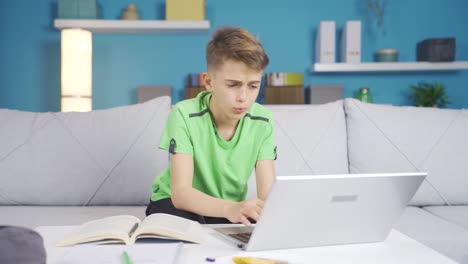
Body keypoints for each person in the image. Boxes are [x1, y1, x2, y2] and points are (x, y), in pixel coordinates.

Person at [145, 26, 276, 226]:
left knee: (251, 224)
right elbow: (180, 194)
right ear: (208, 81)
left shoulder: (263, 121)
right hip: (174, 203)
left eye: (253, 86)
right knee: (187, 224)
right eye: (232, 85)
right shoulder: (183, 114)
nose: (243, 98)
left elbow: (268, 194)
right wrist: (231, 209)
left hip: (227, 208)